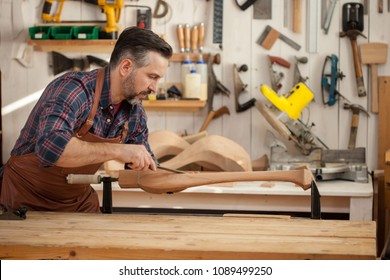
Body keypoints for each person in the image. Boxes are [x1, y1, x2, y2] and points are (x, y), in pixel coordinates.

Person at [0, 27, 173, 212]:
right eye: (152, 77)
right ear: (126, 67)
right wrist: (118, 150)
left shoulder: (134, 113)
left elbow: (145, 169)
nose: (154, 88)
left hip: (75, 201)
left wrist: (179, 179)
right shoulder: (74, 89)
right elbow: (51, 149)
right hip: (24, 198)